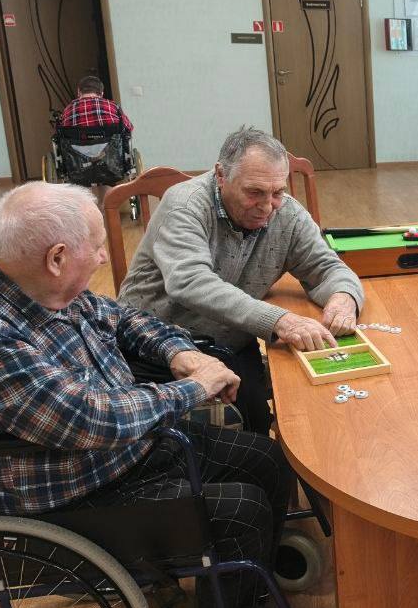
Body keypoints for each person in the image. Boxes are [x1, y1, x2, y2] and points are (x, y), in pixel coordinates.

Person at [0, 182, 309, 608]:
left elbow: (124, 318)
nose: (105, 257)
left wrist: (181, 354)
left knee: (265, 458)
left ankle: (244, 587)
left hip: (123, 452)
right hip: (69, 491)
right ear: (57, 257)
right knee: (241, 510)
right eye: (98, 246)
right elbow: (88, 420)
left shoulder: (37, 285)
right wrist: (193, 389)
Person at [118, 126, 363, 434]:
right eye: (254, 192)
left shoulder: (286, 212)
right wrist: (281, 321)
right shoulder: (184, 204)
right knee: (251, 436)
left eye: (277, 192)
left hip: (230, 340)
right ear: (221, 175)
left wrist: (344, 297)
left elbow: (328, 267)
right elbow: (190, 281)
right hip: (154, 344)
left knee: (296, 414)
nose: (267, 206)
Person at [58, 74, 133, 136]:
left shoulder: (68, 109)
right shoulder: (113, 106)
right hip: (110, 149)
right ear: (102, 93)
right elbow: (129, 128)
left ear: (78, 92)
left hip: (75, 149)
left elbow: (61, 134)